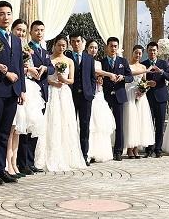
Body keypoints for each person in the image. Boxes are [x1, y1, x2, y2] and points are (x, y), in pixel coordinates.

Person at [0, 1, 26, 184]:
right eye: (1, 14)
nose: (5, 17)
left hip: (13, 91)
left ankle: (1, 168)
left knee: (4, 132)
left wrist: (22, 90)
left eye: (8, 14)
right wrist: (5, 73)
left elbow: (19, 66)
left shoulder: (16, 40)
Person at [35, 36, 86, 171]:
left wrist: (63, 79)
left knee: (65, 121)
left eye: (64, 45)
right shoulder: (48, 58)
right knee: (51, 121)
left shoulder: (69, 61)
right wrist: (53, 82)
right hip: (52, 91)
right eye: (59, 45)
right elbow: (45, 77)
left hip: (64, 93)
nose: (61, 48)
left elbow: (72, 80)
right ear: (54, 45)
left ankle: (67, 155)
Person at [8, 19, 45, 177]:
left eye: (23, 31)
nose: (21, 33)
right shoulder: (19, 46)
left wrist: (38, 69)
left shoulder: (29, 48)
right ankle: (16, 163)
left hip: (31, 88)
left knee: (29, 126)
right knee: (17, 128)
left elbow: (47, 65)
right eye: (19, 30)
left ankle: (22, 162)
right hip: (19, 86)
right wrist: (28, 69)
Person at [19, 21, 53, 174]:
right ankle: (23, 162)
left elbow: (52, 68)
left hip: (43, 94)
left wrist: (45, 67)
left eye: (42, 30)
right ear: (31, 32)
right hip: (30, 91)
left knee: (36, 128)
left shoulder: (45, 51)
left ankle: (31, 162)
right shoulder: (27, 48)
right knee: (27, 128)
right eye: (36, 30)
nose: (39, 33)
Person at [101, 37, 133, 160]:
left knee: (119, 124)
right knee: (104, 124)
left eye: (115, 46)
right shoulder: (102, 62)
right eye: (111, 46)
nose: (113, 48)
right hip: (106, 96)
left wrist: (123, 78)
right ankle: (105, 149)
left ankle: (118, 151)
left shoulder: (123, 61)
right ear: (107, 47)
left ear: (118, 48)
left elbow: (130, 77)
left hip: (119, 96)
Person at [67, 33, 96, 165]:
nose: (76, 44)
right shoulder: (66, 56)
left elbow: (92, 78)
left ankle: (84, 155)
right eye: (73, 41)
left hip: (86, 97)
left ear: (82, 42)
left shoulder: (89, 58)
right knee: (70, 126)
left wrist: (91, 93)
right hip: (70, 96)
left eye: (78, 41)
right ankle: (71, 154)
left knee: (85, 127)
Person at [86, 39, 116, 163]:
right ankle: (88, 151)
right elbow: (94, 71)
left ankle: (99, 151)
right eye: (91, 47)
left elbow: (98, 74)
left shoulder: (98, 62)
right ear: (87, 48)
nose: (93, 50)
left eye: (96, 48)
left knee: (100, 123)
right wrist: (108, 74)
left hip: (99, 93)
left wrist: (101, 78)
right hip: (89, 94)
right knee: (90, 124)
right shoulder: (85, 60)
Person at [123, 45, 155, 158]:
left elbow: (144, 81)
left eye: (140, 53)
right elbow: (128, 76)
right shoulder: (128, 65)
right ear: (132, 53)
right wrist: (146, 70)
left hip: (140, 96)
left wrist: (147, 86)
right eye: (136, 52)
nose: (138, 55)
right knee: (131, 120)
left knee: (140, 121)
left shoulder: (142, 66)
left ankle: (136, 148)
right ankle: (129, 148)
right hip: (130, 94)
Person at [142, 41, 169, 157]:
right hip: (148, 97)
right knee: (149, 123)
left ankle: (158, 149)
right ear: (147, 51)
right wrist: (147, 83)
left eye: (154, 50)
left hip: (161, 97)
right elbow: (140, 80)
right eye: (150, 50)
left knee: (159, 124)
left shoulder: (163, 63)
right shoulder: (143, 64)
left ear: (157, 51)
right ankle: (149, 149)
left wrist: (162, 72)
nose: (152, 52)